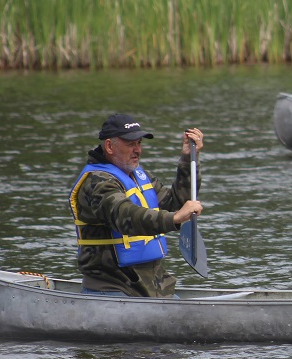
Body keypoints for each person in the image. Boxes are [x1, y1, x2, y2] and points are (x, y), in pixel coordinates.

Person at [68, 114, 205, 297]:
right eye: (130, 144)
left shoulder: (138, 176)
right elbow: (125, 216)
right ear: (109, 146)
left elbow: (176, 204)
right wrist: (174, 219)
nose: (138, 150)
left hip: (153, 287)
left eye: (139, 143)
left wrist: (188, 160)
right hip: (113, 288)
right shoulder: (97, 182)